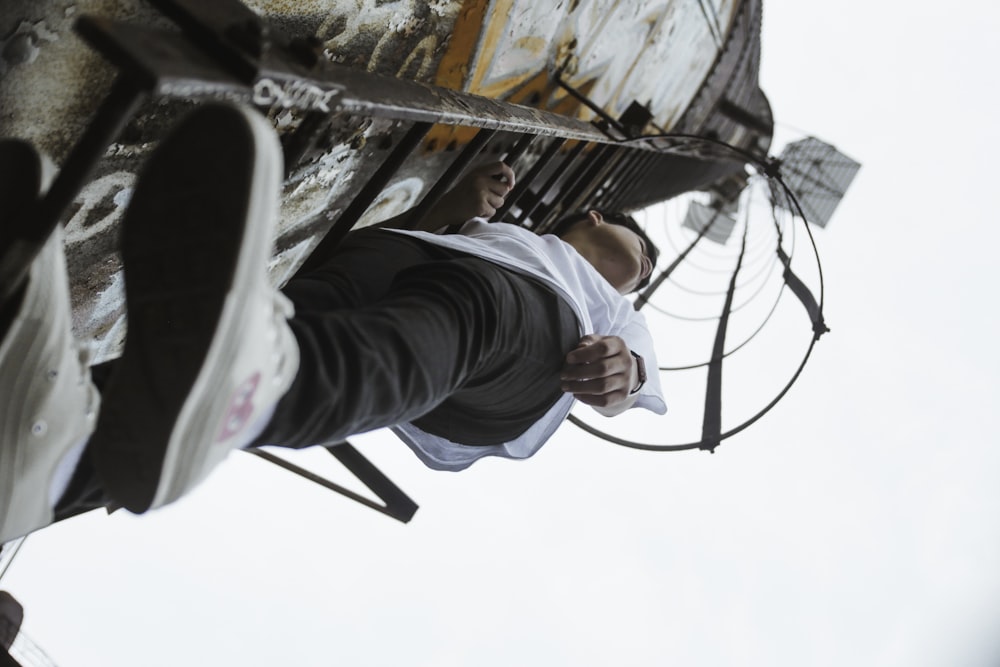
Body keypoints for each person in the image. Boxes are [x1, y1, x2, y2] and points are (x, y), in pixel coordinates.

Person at [0, 103, 666, 543]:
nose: (633, 277)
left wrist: (627, 371)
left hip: (523, 346)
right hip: (423, 266)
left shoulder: (611, 311)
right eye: (638, 261)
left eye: (637, 277)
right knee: (240, 333)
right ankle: (46, 462)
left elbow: (640, 373)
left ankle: (257, 385)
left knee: (469, 309)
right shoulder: (501, 234)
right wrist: (461, 207)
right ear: (594, 220)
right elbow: (432, 246)